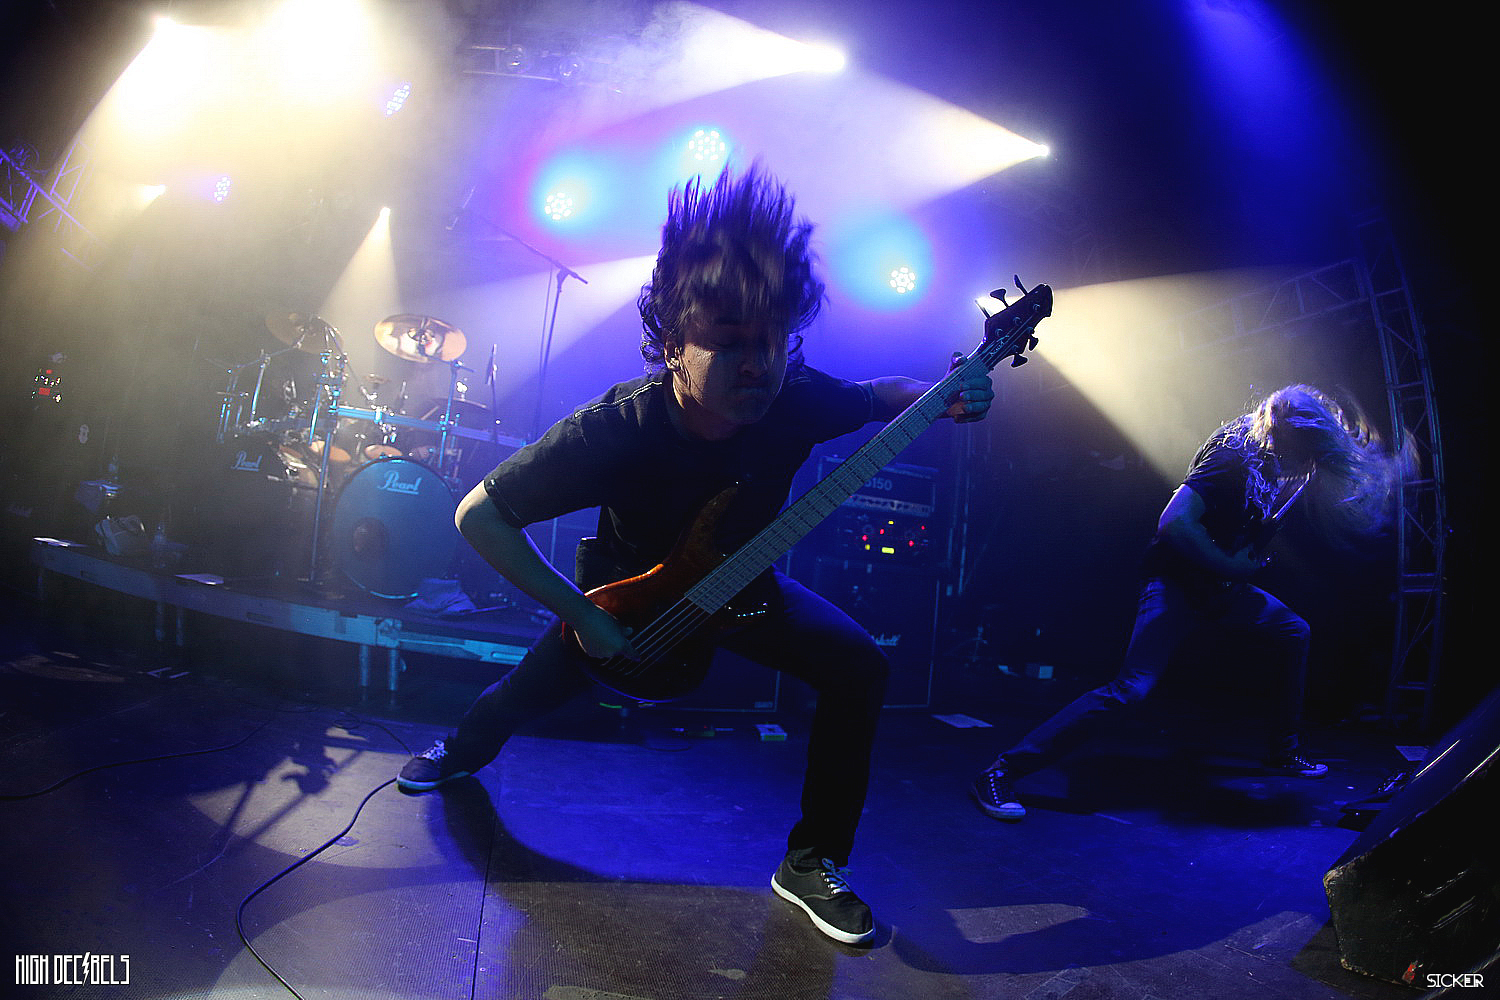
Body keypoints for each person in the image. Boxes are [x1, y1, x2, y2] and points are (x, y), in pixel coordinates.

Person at [397, 165, 995, 945]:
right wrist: (583, 615)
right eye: (730, 342)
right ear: (674, 344)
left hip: (741, 589)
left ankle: (812, 861)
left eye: (772, 340)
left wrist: (944, 393)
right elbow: (480, 516)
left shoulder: (793, 397)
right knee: (519, 696)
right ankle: (458, 750)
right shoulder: (616, 429)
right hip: (627, 610)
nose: (758, 363)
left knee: (860, 668)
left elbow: (878, 393)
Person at [973, 385, 1411, 821]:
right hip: (1177, 584)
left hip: (1222, 588)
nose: (1300, 466)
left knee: (1295, 632)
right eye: (1301, 454)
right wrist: (1229, 564)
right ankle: (1001, 771)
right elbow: (1174, 523)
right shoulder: (1231, 457)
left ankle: (1283, 751)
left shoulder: (1276, 453)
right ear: (1282, 434)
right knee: (1131, 690)